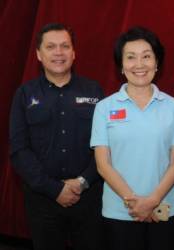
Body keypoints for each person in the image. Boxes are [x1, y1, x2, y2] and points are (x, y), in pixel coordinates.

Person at [90, 26, 174, 250]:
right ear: (121, 66)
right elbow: (103, 165)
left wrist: (152, 201)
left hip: (165, 207)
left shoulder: (173, 107)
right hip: (120, 210)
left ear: (157, 63)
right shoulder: (105, 108)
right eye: (131, 57)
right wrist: (135, 203)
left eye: (146, 56)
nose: (139, 64)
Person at [9, 23, 104, 250]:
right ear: (39, 55)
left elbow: (106, 145)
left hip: (89, 198)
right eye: (51, 47)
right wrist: (55, 189)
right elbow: (19, 150)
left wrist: (82, 183)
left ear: (74, 53)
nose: (58, 52)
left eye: (64, 46)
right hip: (42, 200)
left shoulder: (94, 91)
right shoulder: (24, 94)